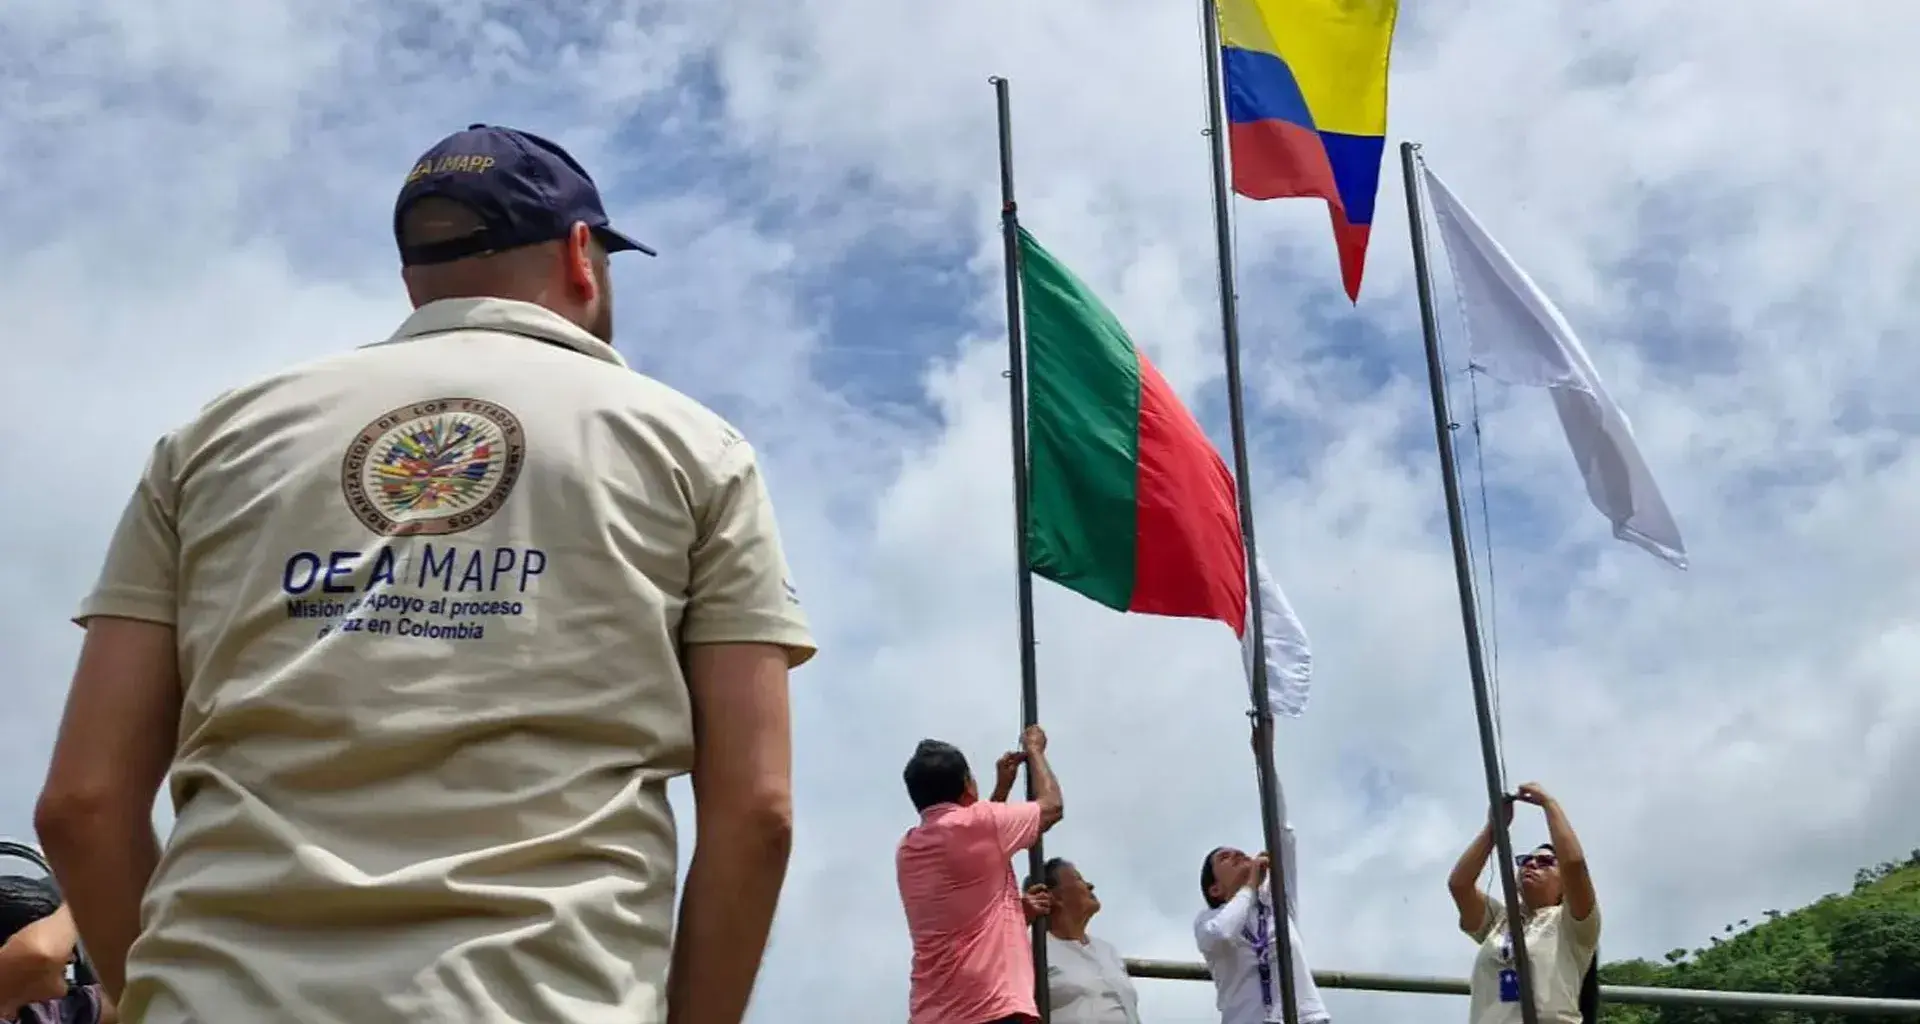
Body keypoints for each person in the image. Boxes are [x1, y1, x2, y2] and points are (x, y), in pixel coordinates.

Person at [34, 123, 814, 1024]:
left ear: (412, 279)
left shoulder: (216, 439)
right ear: (581, 255)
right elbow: (756, 814)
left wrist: (164, 999)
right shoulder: (695, 449)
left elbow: (83, 805)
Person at [897, 725, 1064, 1024]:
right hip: (990, 1008)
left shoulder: (909, 848)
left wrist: (1001, 791)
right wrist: (1035, 750)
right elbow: (1051, 808)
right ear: (967, 784)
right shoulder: (979, 824)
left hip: (931, 1013)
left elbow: (977, 861)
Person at [1447, 782, 1600, 1024]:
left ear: (1565, 883)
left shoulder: (1573, 924)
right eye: (1526, 860)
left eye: (1545, 862)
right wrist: (1494, 829)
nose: (1532, 864)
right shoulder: (1499, 920)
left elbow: (1574, 864)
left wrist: (1548, 804)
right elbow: (1460, 885)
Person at [1194, 847, 1328, 1024]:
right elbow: (1222, 934)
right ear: (1215, 890)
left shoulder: (1276, 902)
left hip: (1306, 1019)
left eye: (1240, 853)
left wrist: (1270, 858)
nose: (1237, 854)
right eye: (1225, 857)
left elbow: (1284, 842)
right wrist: (1250, 886)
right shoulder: (1208, 920)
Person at [1033, 858, 1141, 1024]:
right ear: (1053, 896)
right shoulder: (1033, 949)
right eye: (1078, 879)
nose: (1090, 885)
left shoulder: (1107, 950)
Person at [0, 876, 115, 1024]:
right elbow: (41, 953)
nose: (72, 958)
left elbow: (131, 993)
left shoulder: (52, 1012)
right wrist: (86, 897)